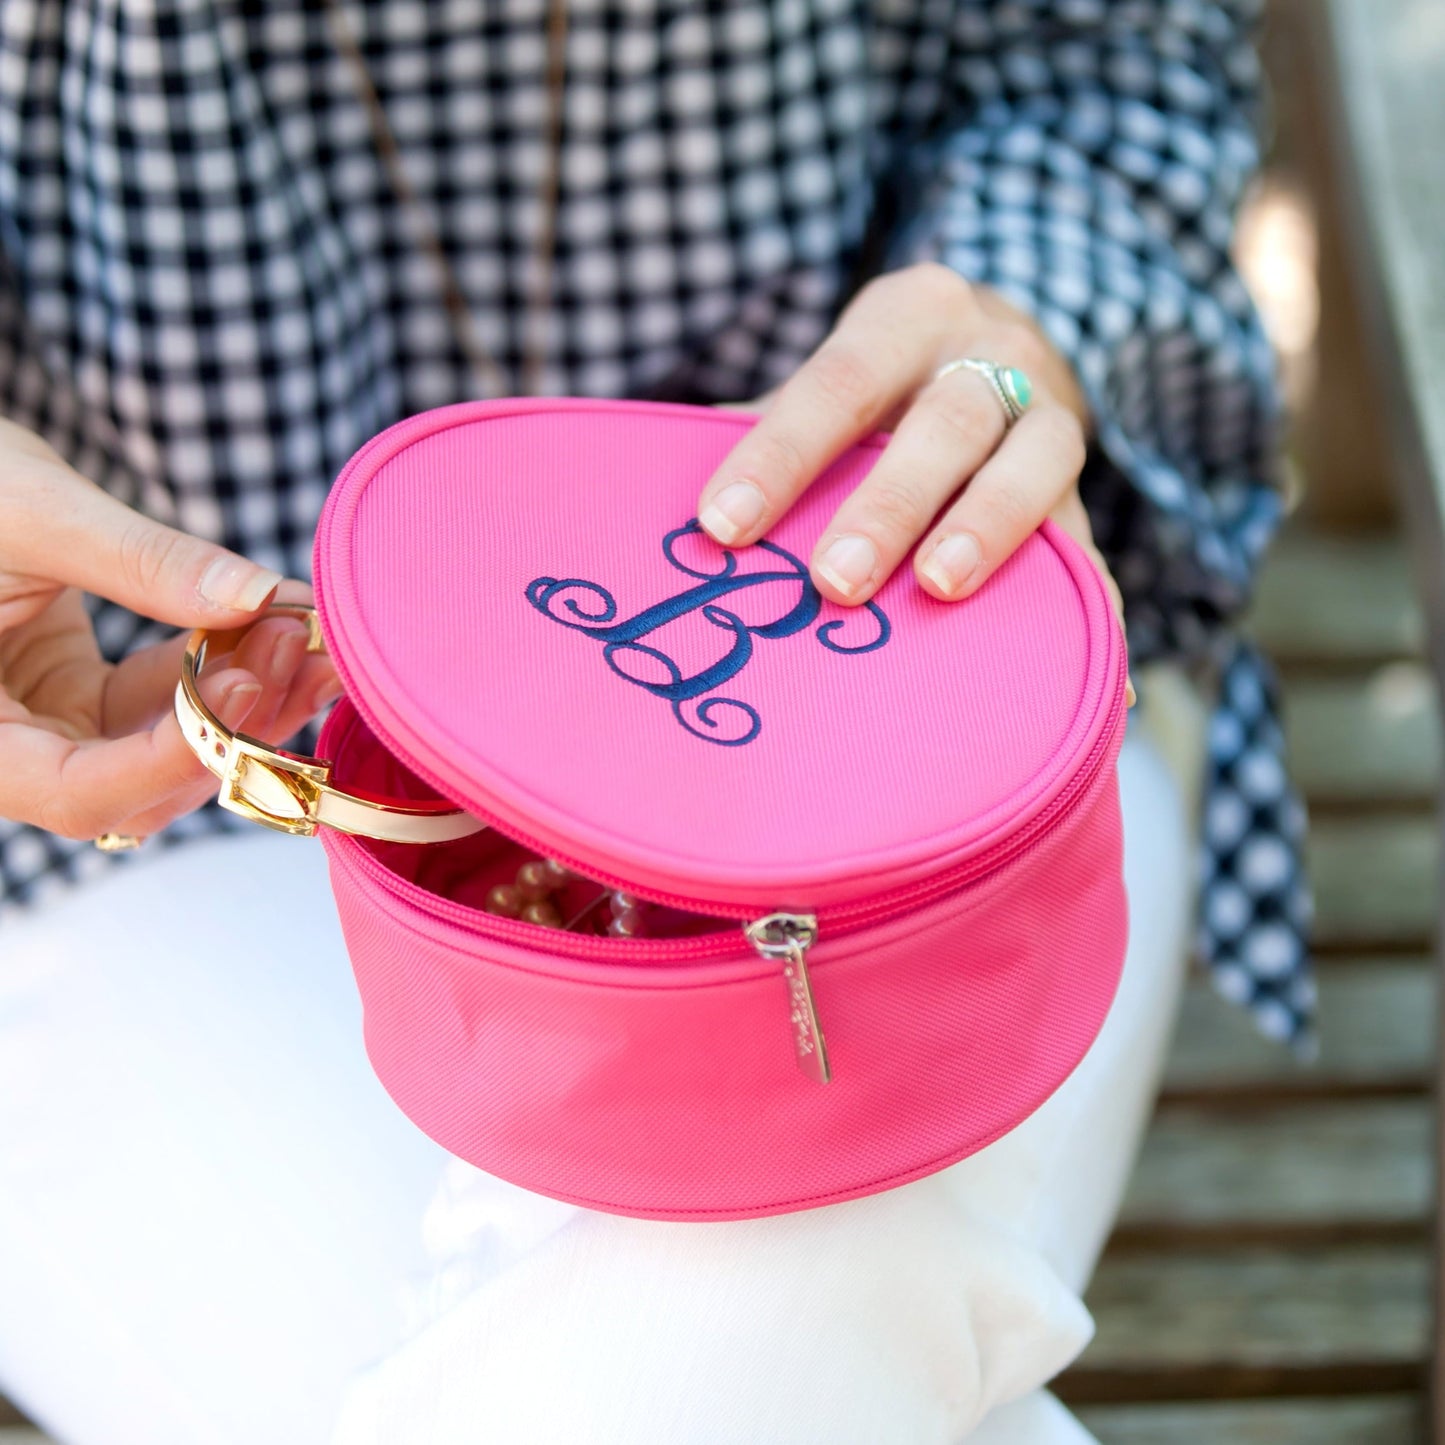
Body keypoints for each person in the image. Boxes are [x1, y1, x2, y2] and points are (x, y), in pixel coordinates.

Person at [0, 1, 1309, 1441]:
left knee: (736, 1340)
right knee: (780, 1335)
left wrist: (1021, 319)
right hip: (158, 804)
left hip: (931, 729)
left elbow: (1115, 71)